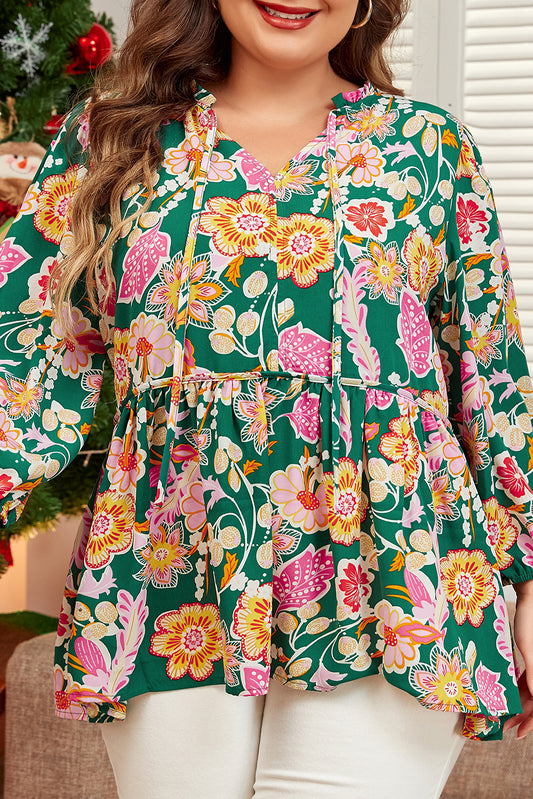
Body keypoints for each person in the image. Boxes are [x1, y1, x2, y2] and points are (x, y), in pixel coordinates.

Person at [1, 0, 533, 796]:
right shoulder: (111, 136)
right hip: (167, 568)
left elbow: (489, 376)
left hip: (398, 571)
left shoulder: (429, 146)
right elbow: (25, 349)